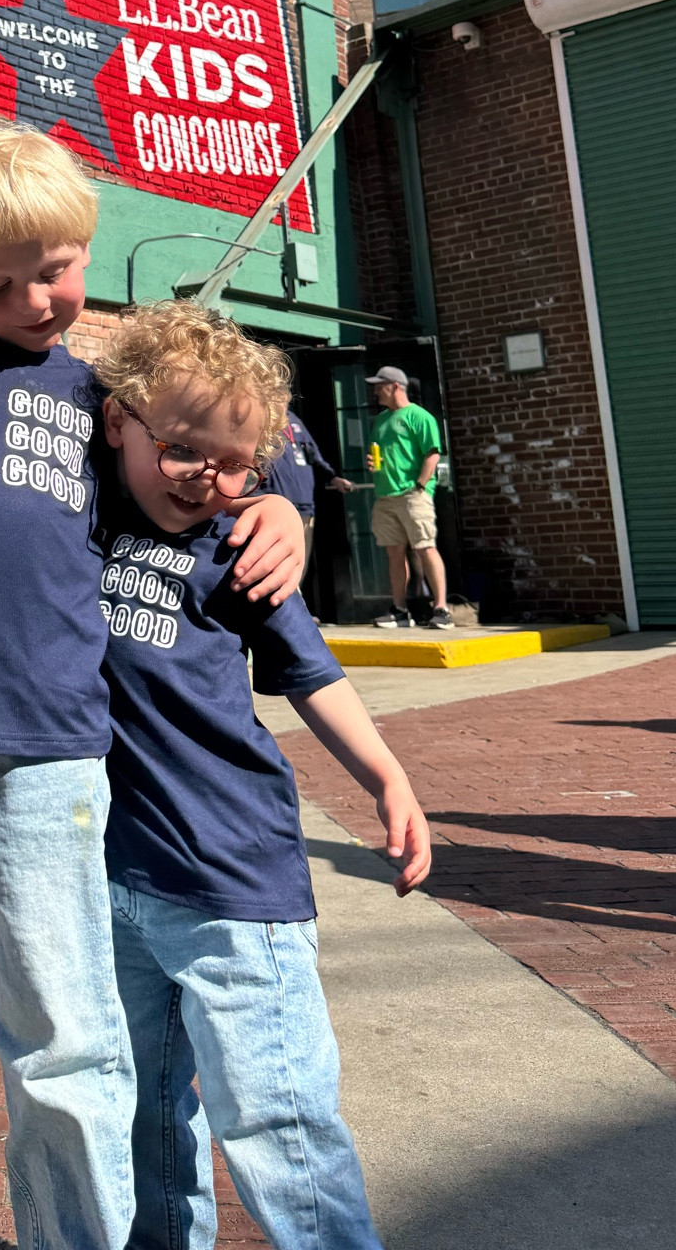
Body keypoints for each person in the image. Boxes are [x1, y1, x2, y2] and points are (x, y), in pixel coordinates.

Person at [0, 128, 307, 1250]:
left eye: (59, 266)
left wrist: (284, 501)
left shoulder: (107, 387)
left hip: (49, 744)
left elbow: (228, 431)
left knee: (66, 1028)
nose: (35, 296)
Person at [95, 301, 430, 1250]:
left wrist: (386, 778)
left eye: (237, 462)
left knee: (277, 1122)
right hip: (110, 878)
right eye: (183, 448)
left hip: (234, 882)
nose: (209, 477)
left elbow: (311, 673)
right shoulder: (78, 513)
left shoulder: (239, 548)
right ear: (118, 422)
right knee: (144, 1118)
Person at [365, 367, 452, 631]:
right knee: (394, 553)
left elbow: (433, 454)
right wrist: (374, 464)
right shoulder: (380, 420)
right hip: (385, 495)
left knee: (425, 547)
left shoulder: (419, 417)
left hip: (413, 495)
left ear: (395, 386)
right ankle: (400, 611)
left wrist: (420, 485)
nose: (376, 390)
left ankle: (441, 609)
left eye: (380, 385)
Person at [261, 405, 354, 595]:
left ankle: (295, 602)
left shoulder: (294, 420)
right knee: (277, 554)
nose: (282, 400)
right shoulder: (259, 416)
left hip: (303, 500)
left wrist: (332, 477)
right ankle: (285, 604)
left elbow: (314, 454)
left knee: (299, 555)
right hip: (276, 500)